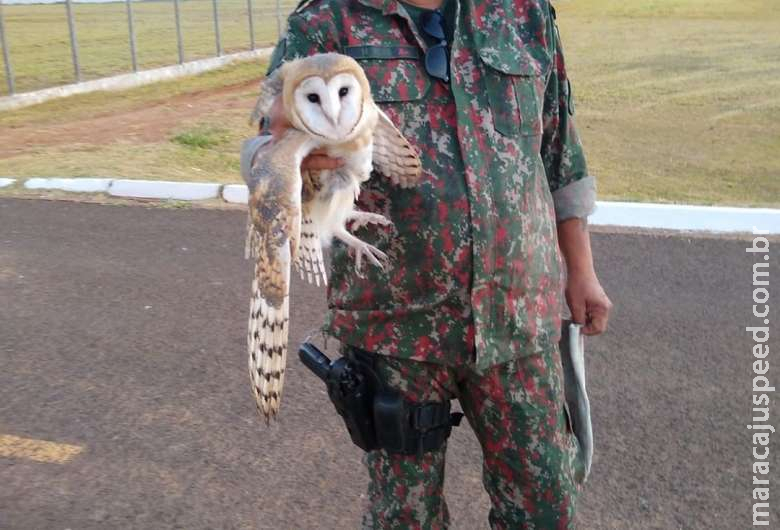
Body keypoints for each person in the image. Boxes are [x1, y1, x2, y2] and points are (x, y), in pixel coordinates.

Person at [241, 0, 612, 527]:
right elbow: (267, 141)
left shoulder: (522, 12)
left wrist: (582, 270)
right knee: (405, 517)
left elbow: (558, 150)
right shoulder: (326, 21)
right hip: (394, 332)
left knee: (546, 506)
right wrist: (276, 162)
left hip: (519, 314)